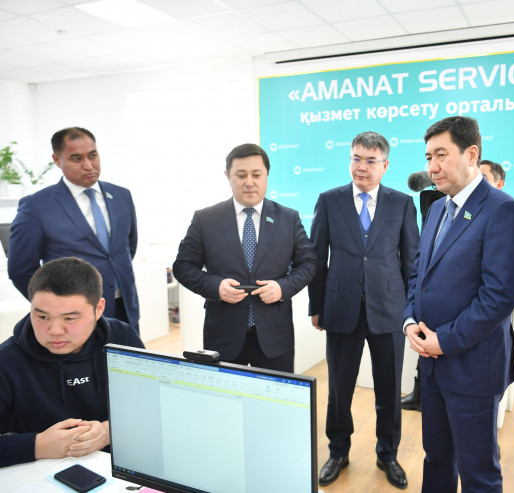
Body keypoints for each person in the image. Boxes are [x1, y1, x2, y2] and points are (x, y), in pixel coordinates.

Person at [404, 116, 514, 492]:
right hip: (432, 366)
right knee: (437, 459)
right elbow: (418, 275)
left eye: (441, 155)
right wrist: (409, 320)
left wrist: (443, 340)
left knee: (478, 473)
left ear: (471, 154)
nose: (432, 167)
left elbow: (499, 297)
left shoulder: (502, 210)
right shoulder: (436, 209)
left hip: (473, 367)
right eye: (428, 157)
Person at [308, 131, 419, 489]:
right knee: (339, 391)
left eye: (371, 161)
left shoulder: (402, 204)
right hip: (340, 310)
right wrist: (316, 306)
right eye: (356, 159)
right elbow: (316, 258)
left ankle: (388, 454)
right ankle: (338, 451)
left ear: (385, 165)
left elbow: (411, 262)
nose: (362, 167)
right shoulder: (329, 201)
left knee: (389, 390)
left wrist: (411, 311)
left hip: (390, 310)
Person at [173, 143, 317, 373]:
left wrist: (282, 288)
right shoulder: (206, 219)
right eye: (241, 175)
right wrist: (216, 286)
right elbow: (183, 266)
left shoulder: (288, 218)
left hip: (275, 337)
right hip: (223, 336)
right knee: (224, 395)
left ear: (266, 175)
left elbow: (308, 263)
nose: (249, 182)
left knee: (275, 395)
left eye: (256, 175)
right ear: (228, 176)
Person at [0, 257, 144, 468]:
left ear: (98, 309)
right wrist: (38, 445)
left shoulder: (122, 338)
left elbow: (149, 404)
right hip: (38, 472)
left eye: (69, 318)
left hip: (119, 463)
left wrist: (109, 431)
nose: (55, 331)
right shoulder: (7, 361)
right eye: (42, 317)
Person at [8, 127, 140, 331]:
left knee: (128, 352)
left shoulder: (121, 195)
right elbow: (20, 269)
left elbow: (127, 248)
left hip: (125, 307)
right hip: (72, 318)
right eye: (76, 158)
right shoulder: (37, 206)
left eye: (92, 155)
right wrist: (53, 308)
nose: (88, 165)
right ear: (57, 159)